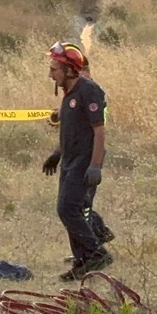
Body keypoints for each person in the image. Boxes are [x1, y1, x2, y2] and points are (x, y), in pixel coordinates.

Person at [42, 42, 113, 281]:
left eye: (54, 69)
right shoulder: (68, 95)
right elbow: (70, 131)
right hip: (69, 161)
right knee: (68, 209)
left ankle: (97, 254)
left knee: (67, 208)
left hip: (85, 161)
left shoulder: (89, 90)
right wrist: (56, 153)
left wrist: (95, 165)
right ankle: (82, 261)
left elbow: (99, 131)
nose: (50, 74)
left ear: (69, 69)